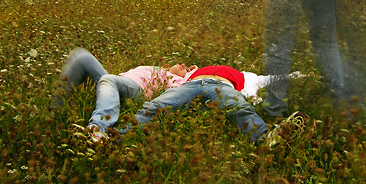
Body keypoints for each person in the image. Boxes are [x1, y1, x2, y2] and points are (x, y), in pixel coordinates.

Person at [51, 48, 197, 142]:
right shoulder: (158, 70)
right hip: (118, 83)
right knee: (82, 57)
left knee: (109, 79)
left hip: (137, 90)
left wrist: (192, 73)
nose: (183, 64)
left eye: (186, 68)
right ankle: (54, 114)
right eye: (182, 63)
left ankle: (97, 130)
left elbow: (189, 88)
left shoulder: (180, 82)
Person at [133, 64, 270, 143]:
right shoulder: (190, 74)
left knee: (239, 109)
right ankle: (118, 135)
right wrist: (191, 71)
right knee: (155, 107)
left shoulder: (245, 76)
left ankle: (265, 139)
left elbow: (267, 80)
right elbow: (170, 77)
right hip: (191, 85)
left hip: (221, 86)